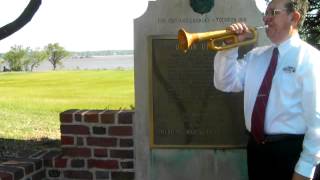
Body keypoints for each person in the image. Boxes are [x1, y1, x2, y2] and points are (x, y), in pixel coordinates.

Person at [213, 0, 320, 180]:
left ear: (294, 18)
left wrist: (304, 170)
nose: (265, 18)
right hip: (256, 150)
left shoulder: (310, 59)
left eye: (273, 12)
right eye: (266, 12)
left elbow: (317, 122)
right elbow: (225, 82)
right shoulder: (256, 56)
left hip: (291, 153)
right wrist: (231, 45)